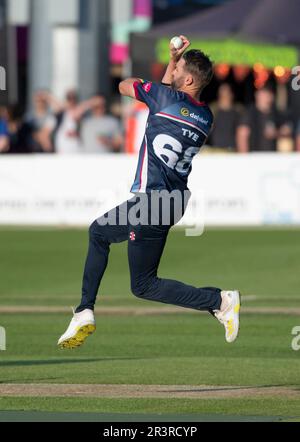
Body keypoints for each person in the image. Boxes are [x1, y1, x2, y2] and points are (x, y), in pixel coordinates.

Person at [58, 36, 241, 349]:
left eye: (179, 67)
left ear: (188, 79)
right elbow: (170, 93)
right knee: (99, 233)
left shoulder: (165, 98)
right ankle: (84, 310)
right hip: (172, 202)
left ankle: (219, 300)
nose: (173, 69)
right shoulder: (206, 117)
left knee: (143, 284)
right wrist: (174, 61)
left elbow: (124, 86)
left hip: (151, 202)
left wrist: (170, 60)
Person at [237, 86, 280, 153]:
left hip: (272, 157)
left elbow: (285, 129)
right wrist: (244, 159)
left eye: (267, 94)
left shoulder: (274, 113)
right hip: (255, 156)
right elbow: (242, 135)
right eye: (263, 94)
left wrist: (277, 132)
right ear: (257, 95)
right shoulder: (250, 112)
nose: (265, 97)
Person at [210, 83, 240, 150]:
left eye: (227, 94)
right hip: (215, 150)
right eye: (222, 94)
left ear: (232, 95)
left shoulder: (238, 110)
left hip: (233, 149)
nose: (224, 96)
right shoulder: (213, 109)